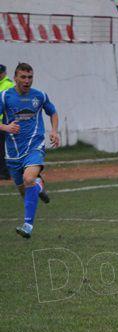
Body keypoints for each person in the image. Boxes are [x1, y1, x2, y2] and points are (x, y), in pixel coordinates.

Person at [0, 63, 59, 239]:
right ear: (15, 78)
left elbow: (53, 112)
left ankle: (28, 225)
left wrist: (54, 131)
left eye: (30, 77)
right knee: (24, 191)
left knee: (28, 179)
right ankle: (39, 186)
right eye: (23, 77)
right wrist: (6, 127)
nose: (27, 81)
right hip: (13, 151)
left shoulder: (39, 95)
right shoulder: (5, 96)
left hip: (35, 146)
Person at [0, 64, 15, 180]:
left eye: (0, 73)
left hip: (4, 123)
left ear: (4, 73)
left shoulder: (8, 85)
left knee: (2, 148)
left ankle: (4, 172)